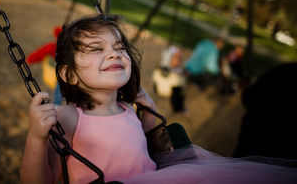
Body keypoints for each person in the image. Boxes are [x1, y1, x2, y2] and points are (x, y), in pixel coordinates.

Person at [20, 14, 297, 184]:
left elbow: (154, 146)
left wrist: (149, 109)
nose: (115, 53)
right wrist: (36, 137)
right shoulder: (69, 117)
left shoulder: (129, 108)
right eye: (96, 48)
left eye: (119, 47)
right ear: (68, 75)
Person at [26, 25, 63, 105]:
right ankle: (57, 105)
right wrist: (30, 59)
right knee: (59, 86)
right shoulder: (52, 47)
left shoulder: (69, 49)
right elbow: (40, 53)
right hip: (59, 75)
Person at [152, 45, 186, 112]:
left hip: (172, 84)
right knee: (178, 93)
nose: (180, 60)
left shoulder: (177, 69)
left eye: (180, 58)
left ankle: (179, 107)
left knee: (181, 93)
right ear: (170, 58)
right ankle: (177, 108)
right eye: (177, 58)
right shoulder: (165, 69)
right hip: (168, 88)